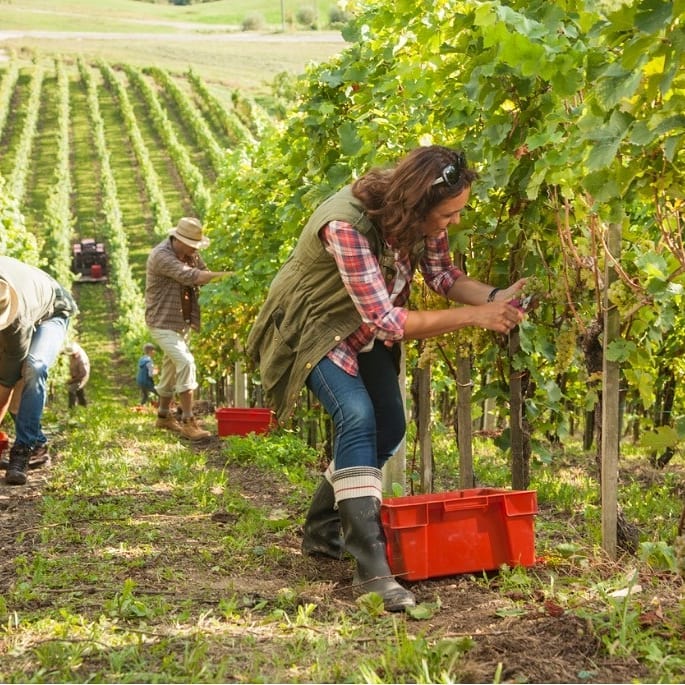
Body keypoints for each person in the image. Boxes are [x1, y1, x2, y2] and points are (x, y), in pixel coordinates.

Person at [246, 145, 526, 612]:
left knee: (390, 428)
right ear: (417, 204)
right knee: (356, 416)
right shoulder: (345, 224)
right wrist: (476, 316)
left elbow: (440, 274)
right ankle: (372, 570)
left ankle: (321, 530)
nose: (454, 222)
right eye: (449, 214)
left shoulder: (421, 217)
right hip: (316, 325)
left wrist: (498, 296)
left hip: (363, 326)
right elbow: (386, 321)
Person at [145, 217, 230, 441]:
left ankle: (163, 416)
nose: (195, 249)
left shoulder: (190, 254)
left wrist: (220, 279)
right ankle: (188, 420)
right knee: (185, 362)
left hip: (181, 322)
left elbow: (203, 272)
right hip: (162, 322)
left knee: (171, 368)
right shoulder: (161, 256)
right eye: (193, 245)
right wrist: (230, 278)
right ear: (179, 240)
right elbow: (193, 276)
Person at [0, 256, 77, 485]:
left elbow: (5, 384)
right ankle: (38, 440)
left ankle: (24, 449)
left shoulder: (16, 323)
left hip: (53, 308)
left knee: (33, 368)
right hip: (28, 292)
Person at [64, 341, 90, 408]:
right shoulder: (75, 352)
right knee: (79, 391)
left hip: (81, 377)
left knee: (72, 390)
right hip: (76, 375)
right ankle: (83, 406)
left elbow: (83, 374)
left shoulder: (82, 360)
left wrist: (72, 381)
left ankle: (72, 409)